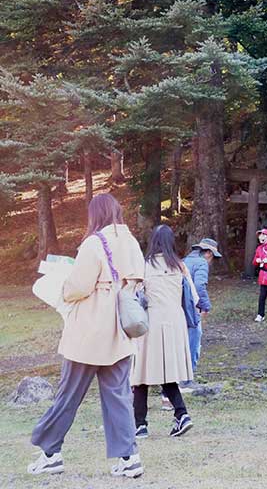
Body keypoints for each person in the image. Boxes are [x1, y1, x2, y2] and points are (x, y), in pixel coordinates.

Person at [27, 193, 146, 479]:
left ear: (96, 215)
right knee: (118, 396)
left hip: (89, 332)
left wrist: (63, 283)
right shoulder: (130, 241)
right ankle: (130, 458)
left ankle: (50, 453)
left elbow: (77, 287)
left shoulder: (94, 243)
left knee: (68, 394)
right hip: (120, 331)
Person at [130, 224, 196, 439]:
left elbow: (134, 295)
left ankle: (140, 424)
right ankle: (181, 413)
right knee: (167, 372)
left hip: (152, 321)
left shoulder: (145, 266)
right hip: (175, 321)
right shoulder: (180, 266)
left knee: (141, 372)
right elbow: (194, 298)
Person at [182, 237, 220, 375]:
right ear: (209, 253)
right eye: (213, 257)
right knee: (193, 342)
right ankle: (187, 378)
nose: (211, 261)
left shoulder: (184, 261)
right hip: (192, 308)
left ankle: (177, 378)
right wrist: (205, 306)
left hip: (179, 308)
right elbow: (199, 286)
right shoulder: (202, 263)